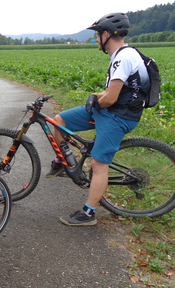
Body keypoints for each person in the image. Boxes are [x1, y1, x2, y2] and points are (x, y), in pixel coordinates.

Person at [48, 13, 150, 226]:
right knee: (59, 120)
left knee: (99, 163)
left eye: (97, 34)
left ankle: (88, 213)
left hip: (118, 117)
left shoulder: (123, 57)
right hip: (109, 111)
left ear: (106, 34)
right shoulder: (120, 55)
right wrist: (96, 97)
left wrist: (98, 100)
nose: (95, 39)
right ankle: (64, 162)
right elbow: (109, 93)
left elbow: (111, 98)